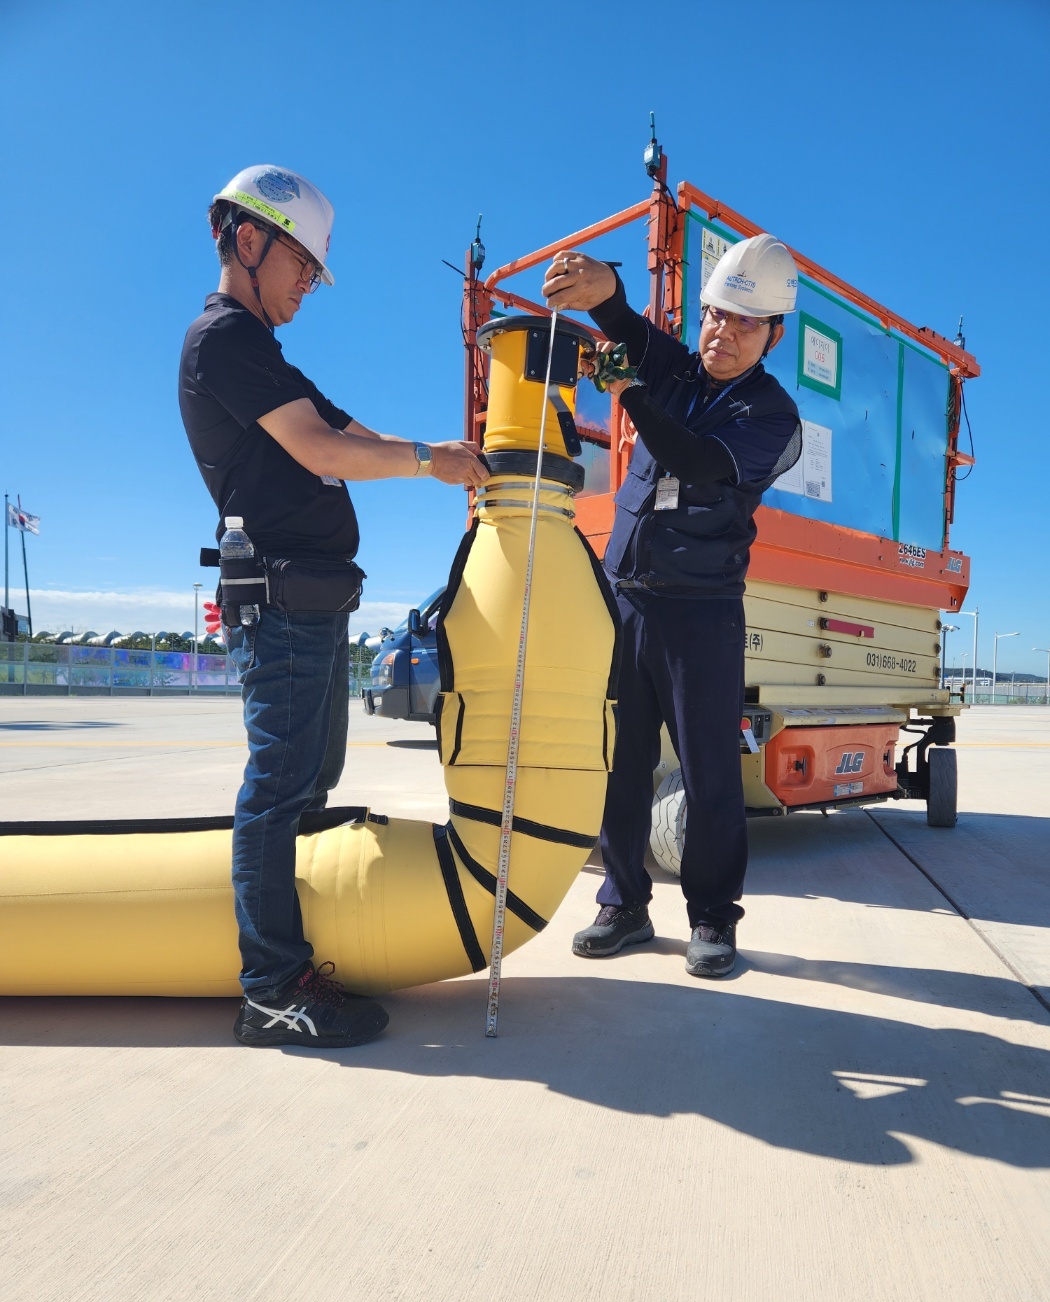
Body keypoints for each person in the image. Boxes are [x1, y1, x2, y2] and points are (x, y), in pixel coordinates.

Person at [179, 165, 487, 1047]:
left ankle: (293, 961)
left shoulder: (262, 352)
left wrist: (445, 455)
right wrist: (427, 462)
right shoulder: (221, 340)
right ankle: (271, 988)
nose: (309, 286)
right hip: (279, 606)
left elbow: (350, 434)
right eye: (304, 267)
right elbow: (318, 447)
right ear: (250, 242)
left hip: (307, 604)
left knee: (308, 780)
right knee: (278, 787)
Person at [541, 235, 801, 978]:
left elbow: (693, 462)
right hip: (626, 600)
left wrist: (628, 397)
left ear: (772, 334)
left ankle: (714, 918)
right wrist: (604, 291)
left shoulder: (770, 415)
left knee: (709, 769)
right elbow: (629, 329)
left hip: (701, 613)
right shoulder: (680, 368)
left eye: (743, 323)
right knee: (620, 764)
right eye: (715, 315)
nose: (721, 332)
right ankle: (623, 904)